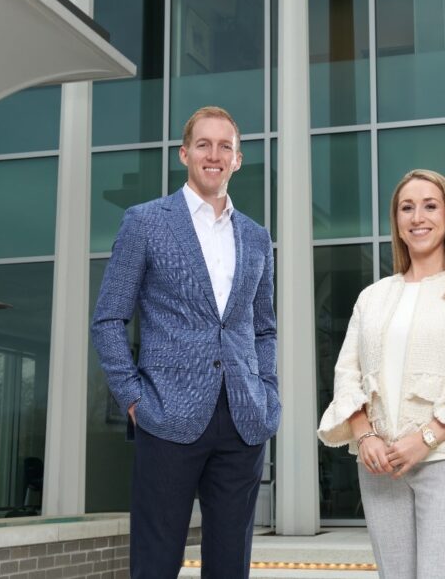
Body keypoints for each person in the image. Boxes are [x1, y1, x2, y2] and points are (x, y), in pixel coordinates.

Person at [92, 106, 280, 579]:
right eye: (203, 144)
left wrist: (268, 393)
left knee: (229, 567)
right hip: (166, 416)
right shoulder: (145, 222)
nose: (213, 155)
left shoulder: (256, 237)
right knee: (156, 564)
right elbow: (109, 319)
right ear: (184, 154)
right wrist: (135, 400)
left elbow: (263, 329)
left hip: (243, 419)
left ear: (238, 159)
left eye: (225, 146)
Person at [317, 169, 445, 579]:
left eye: (429, 205)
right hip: (381, 466)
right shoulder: (373, 297)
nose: (417, 216)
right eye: (407, 207)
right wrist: (364, 434)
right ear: (397, 222)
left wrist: (424, 439)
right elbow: (346, 374)